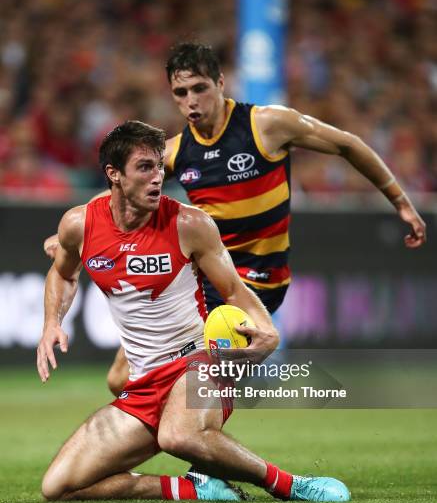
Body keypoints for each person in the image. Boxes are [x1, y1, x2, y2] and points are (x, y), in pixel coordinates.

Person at [44, 42, 426, 396]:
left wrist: (401, 202)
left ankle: (200, 456)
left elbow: (347, 143)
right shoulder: (177, 151)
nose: (191, 101)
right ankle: (193, 444)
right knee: (120, 380)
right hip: (208, 278)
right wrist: (73, 233)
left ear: (221, 83)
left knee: (196, 380)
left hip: (259, 282)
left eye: (199, 88)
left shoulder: (266, 126)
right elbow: (122, 186)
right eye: (180, 93)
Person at [37, 120, 350, 503]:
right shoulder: (79, 224)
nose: (157, 178)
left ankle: (290, 485)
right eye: (144, 168)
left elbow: (234, 289)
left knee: (178, 435)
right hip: (144, 382)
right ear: (113, 175)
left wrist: (268, 330)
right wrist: (52, 322)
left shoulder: (190, 223)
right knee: (59, 488)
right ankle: (193, 488)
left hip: (197, 361)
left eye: (158, 166)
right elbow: (62, 275)